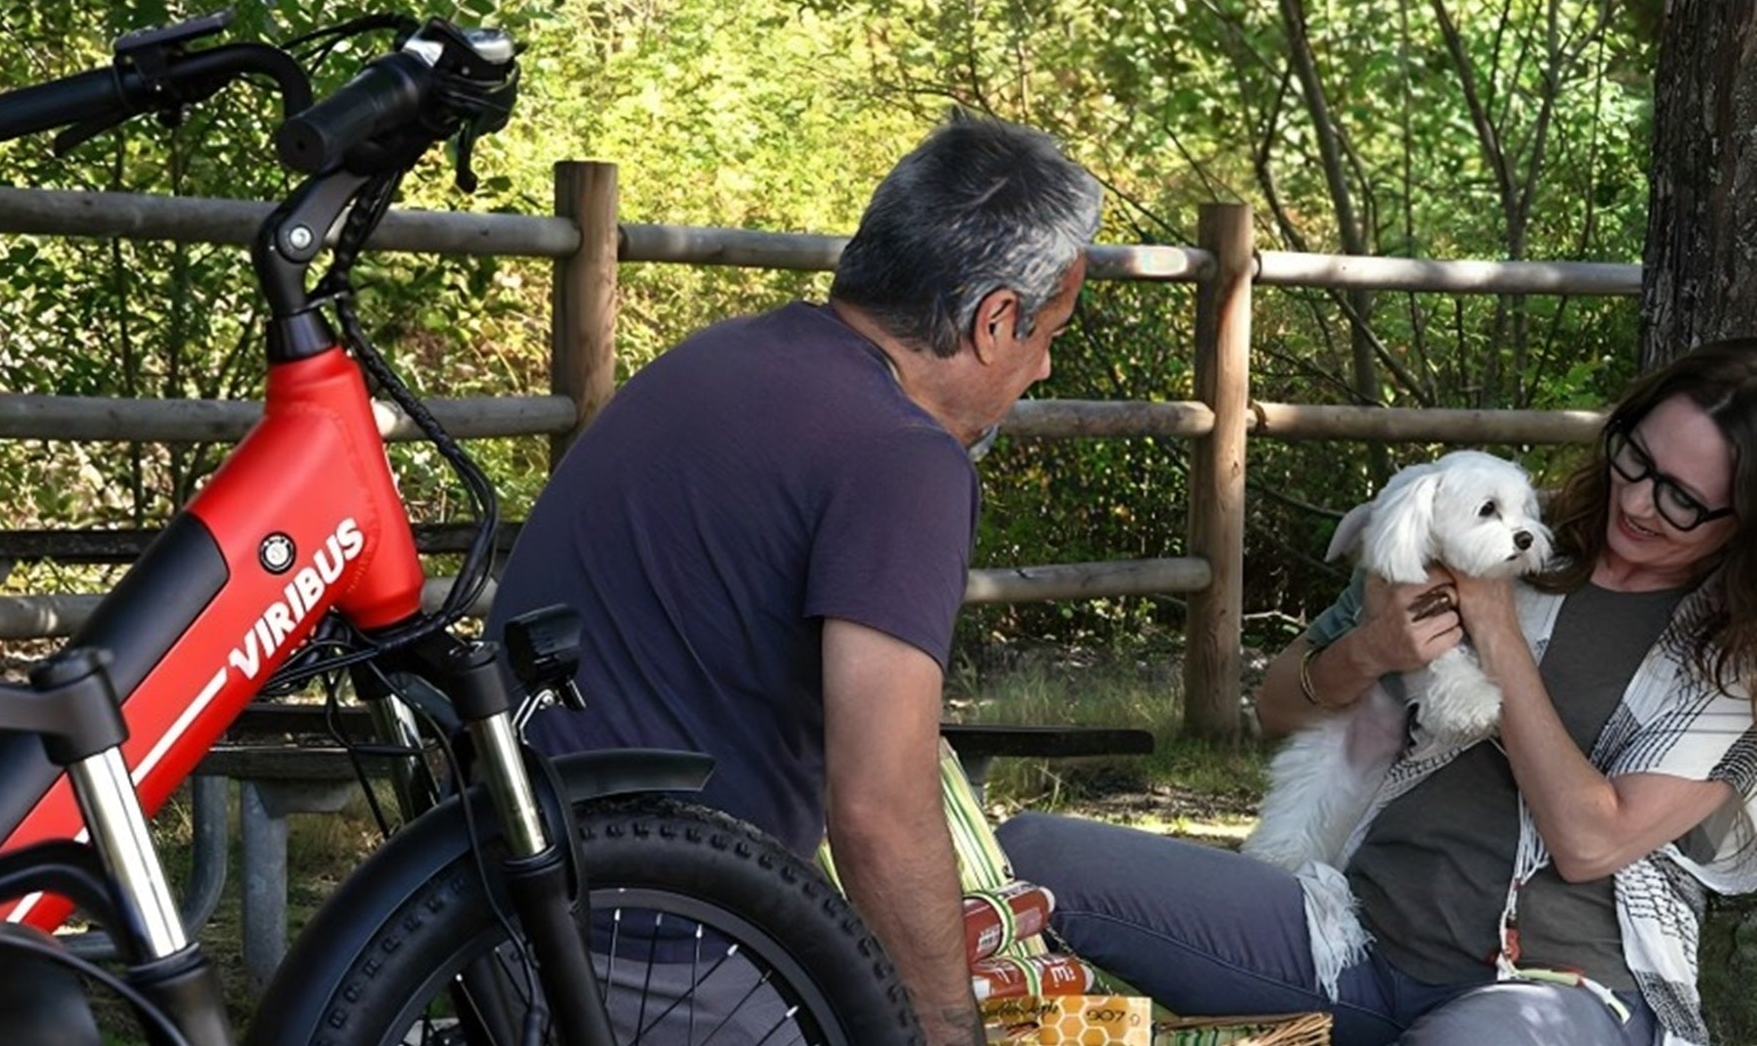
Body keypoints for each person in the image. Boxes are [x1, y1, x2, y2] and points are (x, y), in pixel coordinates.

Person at [484, 111, 1104, 1044]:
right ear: (994, 321)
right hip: (658, 947)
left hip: (497, 905)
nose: (1044, 364)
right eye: (1048, 332)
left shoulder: (734, 353)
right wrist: (944, 1028)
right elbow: (878, 807)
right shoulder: (904, 455)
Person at [998, 340, 1757, 1046]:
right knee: (1032, 855)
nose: (1638, 504)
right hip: (1348, 937)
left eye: (1683, 500)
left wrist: (1495, 629)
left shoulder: (1732, 658)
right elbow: (1279, 709)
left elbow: (1592, 841)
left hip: (1557, 986)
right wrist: (1370, 651)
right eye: (1635, 459)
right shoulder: (1498, 516)